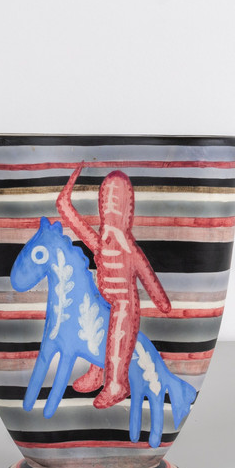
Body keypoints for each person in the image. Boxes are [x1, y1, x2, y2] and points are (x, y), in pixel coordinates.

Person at [56, 165, 171, 408]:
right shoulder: (101, 243)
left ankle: (117, 384)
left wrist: (161, 301)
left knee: (118, 335)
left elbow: (147, 276)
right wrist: (66, 197)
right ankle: (96, 372)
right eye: (105, 204)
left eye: (113, 204)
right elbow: (73, 219)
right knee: (96, 326)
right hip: (105, 299)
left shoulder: (129, 249)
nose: (108, 209)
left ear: (125, 210)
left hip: (124, 304)